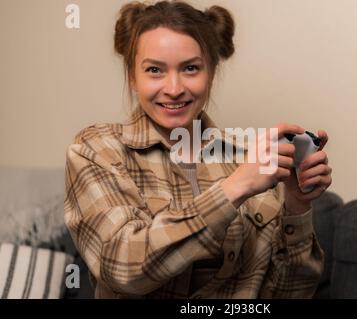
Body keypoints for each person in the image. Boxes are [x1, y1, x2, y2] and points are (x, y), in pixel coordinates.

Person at [64, 0, 332, 299]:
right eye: (155, 70)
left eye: (191, 68)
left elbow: (290, 294)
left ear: (212, 72)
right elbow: (122, 267)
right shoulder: (97, 149)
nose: (175, 88)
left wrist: (296, 204)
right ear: (132, 76)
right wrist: (237, 186)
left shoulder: (252, 156)